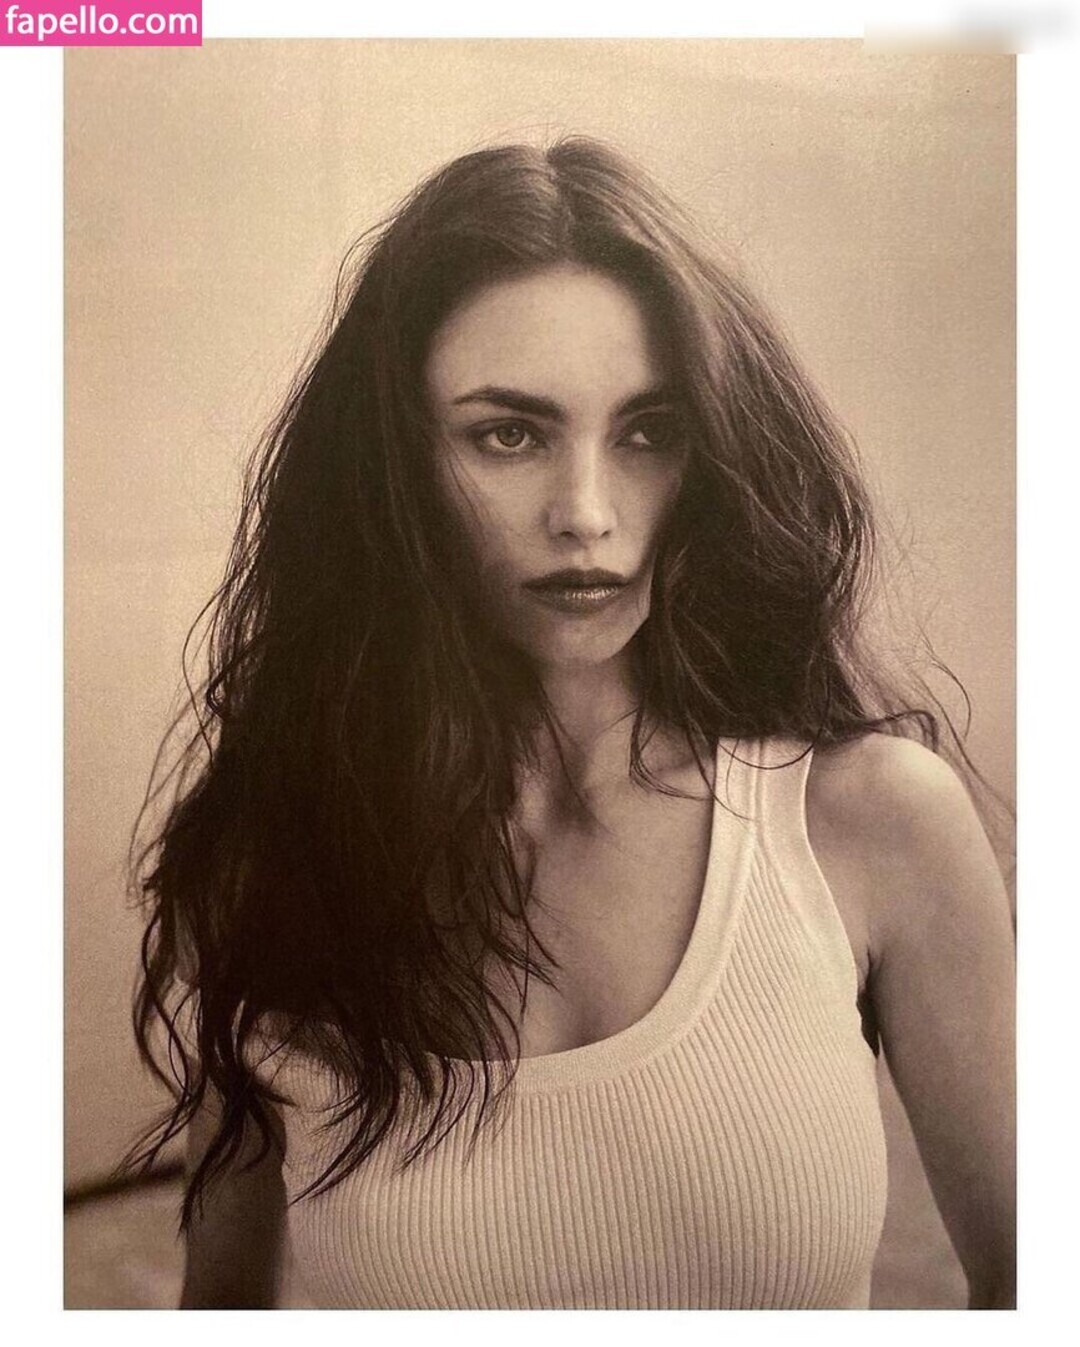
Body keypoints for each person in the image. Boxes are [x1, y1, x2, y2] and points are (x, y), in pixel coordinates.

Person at [130, 138, 1015, 1310]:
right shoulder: (271, 862)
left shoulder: (874, 819)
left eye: (649, 432)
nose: (587, 514)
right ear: (393, 468)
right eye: (508, 434)